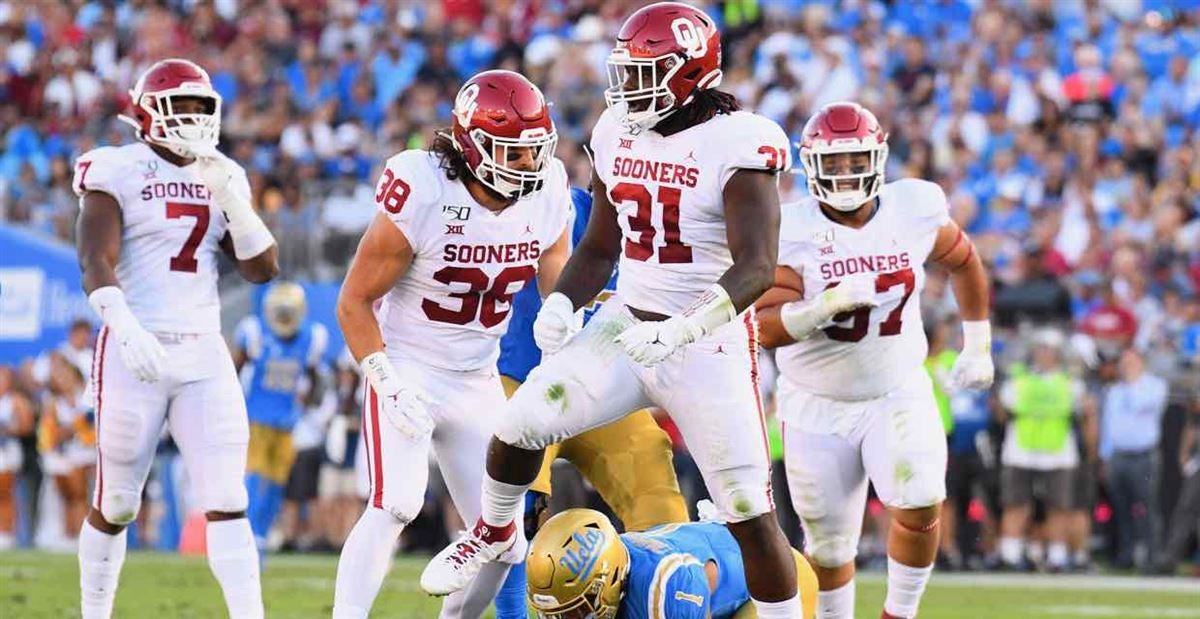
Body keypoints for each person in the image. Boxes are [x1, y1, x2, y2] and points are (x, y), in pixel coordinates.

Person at [421, 4, 804, 616]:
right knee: (519, 423)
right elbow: (601, 244)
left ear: (690, 73)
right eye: (626, 72)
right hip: (626, 326)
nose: (629, 88)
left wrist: (686, 325)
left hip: (707, 341)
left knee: (748, 512)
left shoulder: (740, 141)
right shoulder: (615, 131)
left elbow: (757, 265)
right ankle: (491, 533)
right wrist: (564, 303)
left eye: (645, 72)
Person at [331, 69, 571, 619]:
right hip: (408, 365)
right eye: (513, 152)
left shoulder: (548, 187)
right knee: (396, 503)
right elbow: (354, 300)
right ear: (473, 144)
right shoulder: (424, 188)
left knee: (506, 541)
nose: (528, 165)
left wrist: (560, 306)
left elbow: (554, 258)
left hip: (477, 375)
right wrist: (386, 383)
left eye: (535, 151)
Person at [755, 101, 994, 618]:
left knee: (921, 496)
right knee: (829, 547)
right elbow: (764, 326)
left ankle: (899, 614)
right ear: (811, 165)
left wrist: (978, 343)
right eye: (834, 164)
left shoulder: (914, 207)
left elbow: (964, 260)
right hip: (815, 402)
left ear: (879, 157)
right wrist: (820, 307)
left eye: (855, 160)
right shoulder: (788, 227)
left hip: (897, 390)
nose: (845, 174)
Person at [73, 58, 278, 619]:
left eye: (199, 106)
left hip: (203, 349)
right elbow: (94, 257)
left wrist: (232, 197)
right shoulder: (117, 167)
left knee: (228, 497)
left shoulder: (224, 172)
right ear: (146, 112)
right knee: (116, 501)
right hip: (133, 344)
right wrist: (123, 324)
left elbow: (262, 269)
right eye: (178, 106)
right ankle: (95, 612)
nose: (191, 117)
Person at [492, 187, 688, 618]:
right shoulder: (550, 208)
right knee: (517, 509)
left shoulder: (662, 226)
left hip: (607, 393)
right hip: (524, 380)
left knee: (661, 508)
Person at [525, 508, 819, 619]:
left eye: (577, 611)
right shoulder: (618, 561)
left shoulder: (666, 586)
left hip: (775, 585)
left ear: (610, 578)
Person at [232, 281, 328, 551]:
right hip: (256, 417)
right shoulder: (254, 332)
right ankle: (248, 532)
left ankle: (261, 533)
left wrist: (310, 400)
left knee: (277, 480)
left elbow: (313, 375)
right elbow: (233, 372)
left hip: (288, 420)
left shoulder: (312, 336)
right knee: (256, 475)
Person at [995, 329, 1083, 572]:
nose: (1044, 355)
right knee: (1016, 504)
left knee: (1059, 506)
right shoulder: (1019, 378)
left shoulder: (1070, 382)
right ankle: (1010, 555)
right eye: (1040, 349)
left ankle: (1057, 556)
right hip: (1021, 449)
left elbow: (1082, 412)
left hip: (1058, 451)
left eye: (1049, 350)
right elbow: (1003, 411)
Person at [1099, 348, 1169, 570]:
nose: (1126, 365)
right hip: (1118, 456)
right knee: (1120, 509)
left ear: (1141, 363)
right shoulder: (1114, 391)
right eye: (1124, 361)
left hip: (1143, 455)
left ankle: (1152, 557)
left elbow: (1139, 405)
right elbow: (1109, 426)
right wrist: (1105, 457)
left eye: (1131, 361)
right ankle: (1126, 555)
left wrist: (1131, 382)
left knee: (1147, 508)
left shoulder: (1155, 386)